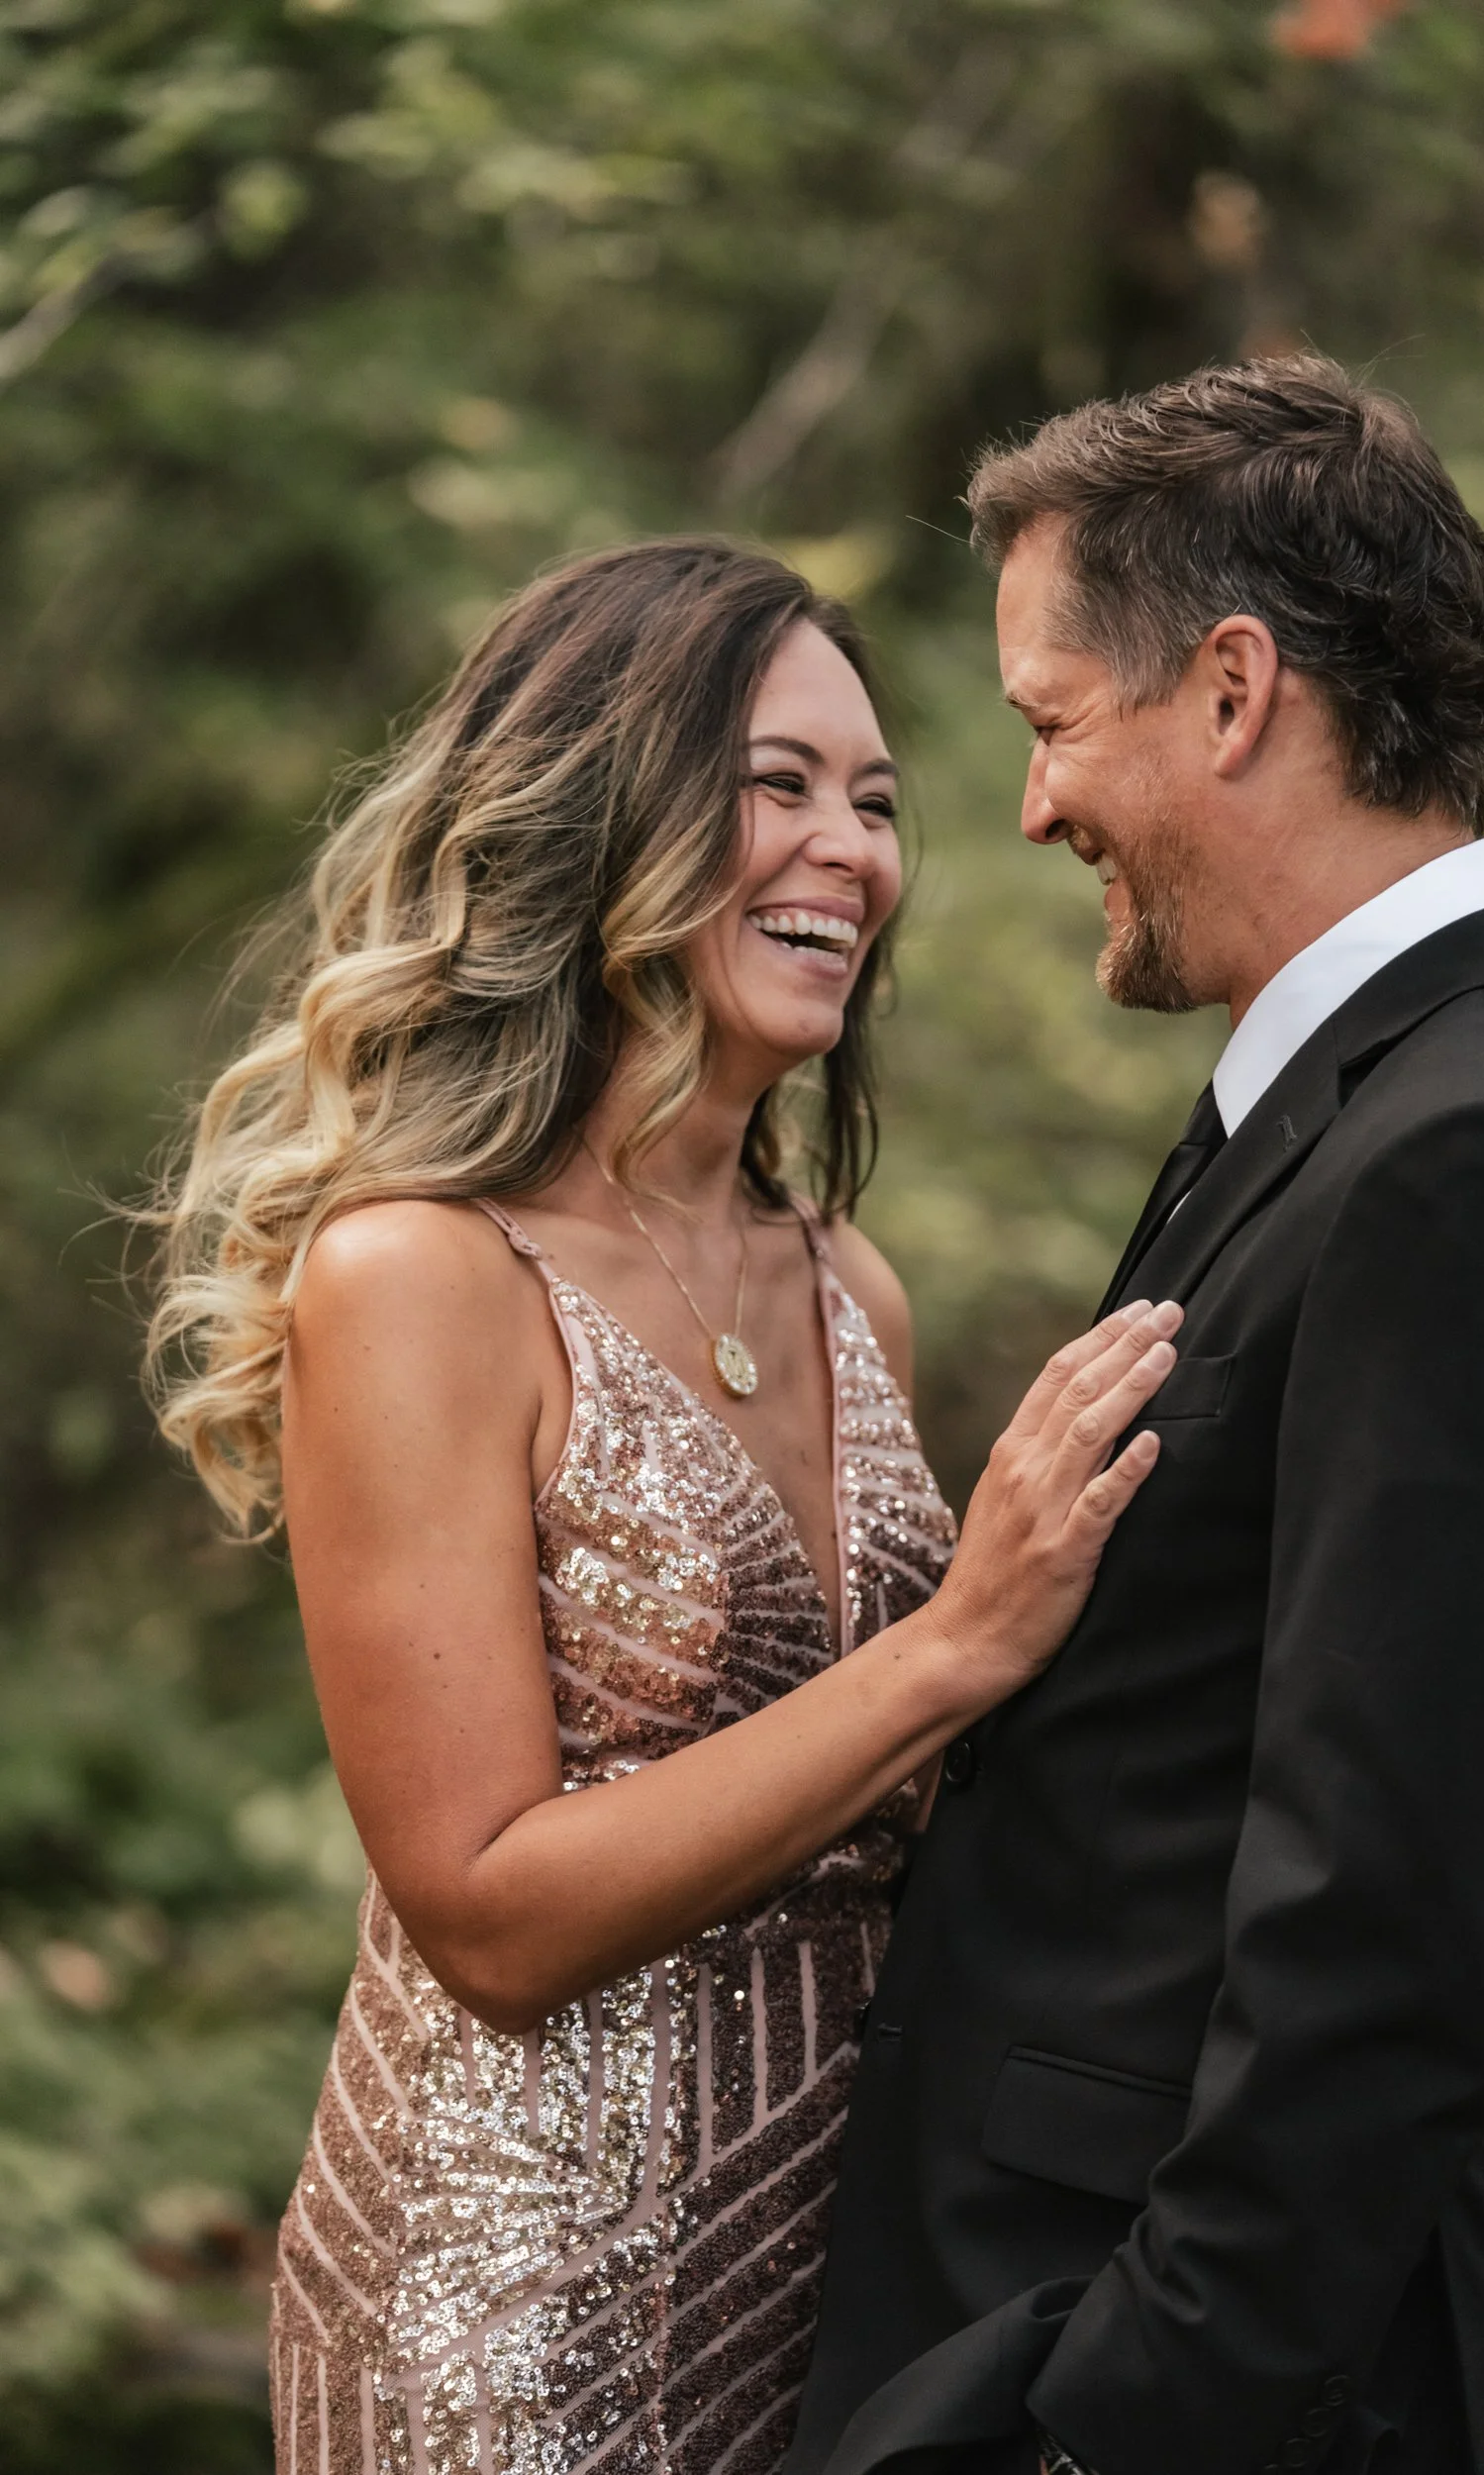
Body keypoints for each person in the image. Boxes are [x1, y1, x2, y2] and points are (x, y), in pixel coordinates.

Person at [143, 539, 1178, 2475]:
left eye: (874, 802)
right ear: (604, 813)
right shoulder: (422, 1275)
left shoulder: (847, 1286)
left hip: (840, 2281)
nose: (847, 850)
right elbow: (486, 1913)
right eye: (777, 784)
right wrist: (958, 1643)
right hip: (507, 2326)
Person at [786, 355, 1484, 2475]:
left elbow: (1388, 1935)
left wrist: (1100, 2427)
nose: (1030, 805)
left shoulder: (1483, 1150)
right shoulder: (1347, 1101)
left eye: (1052, 721)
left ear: (1234, 688)